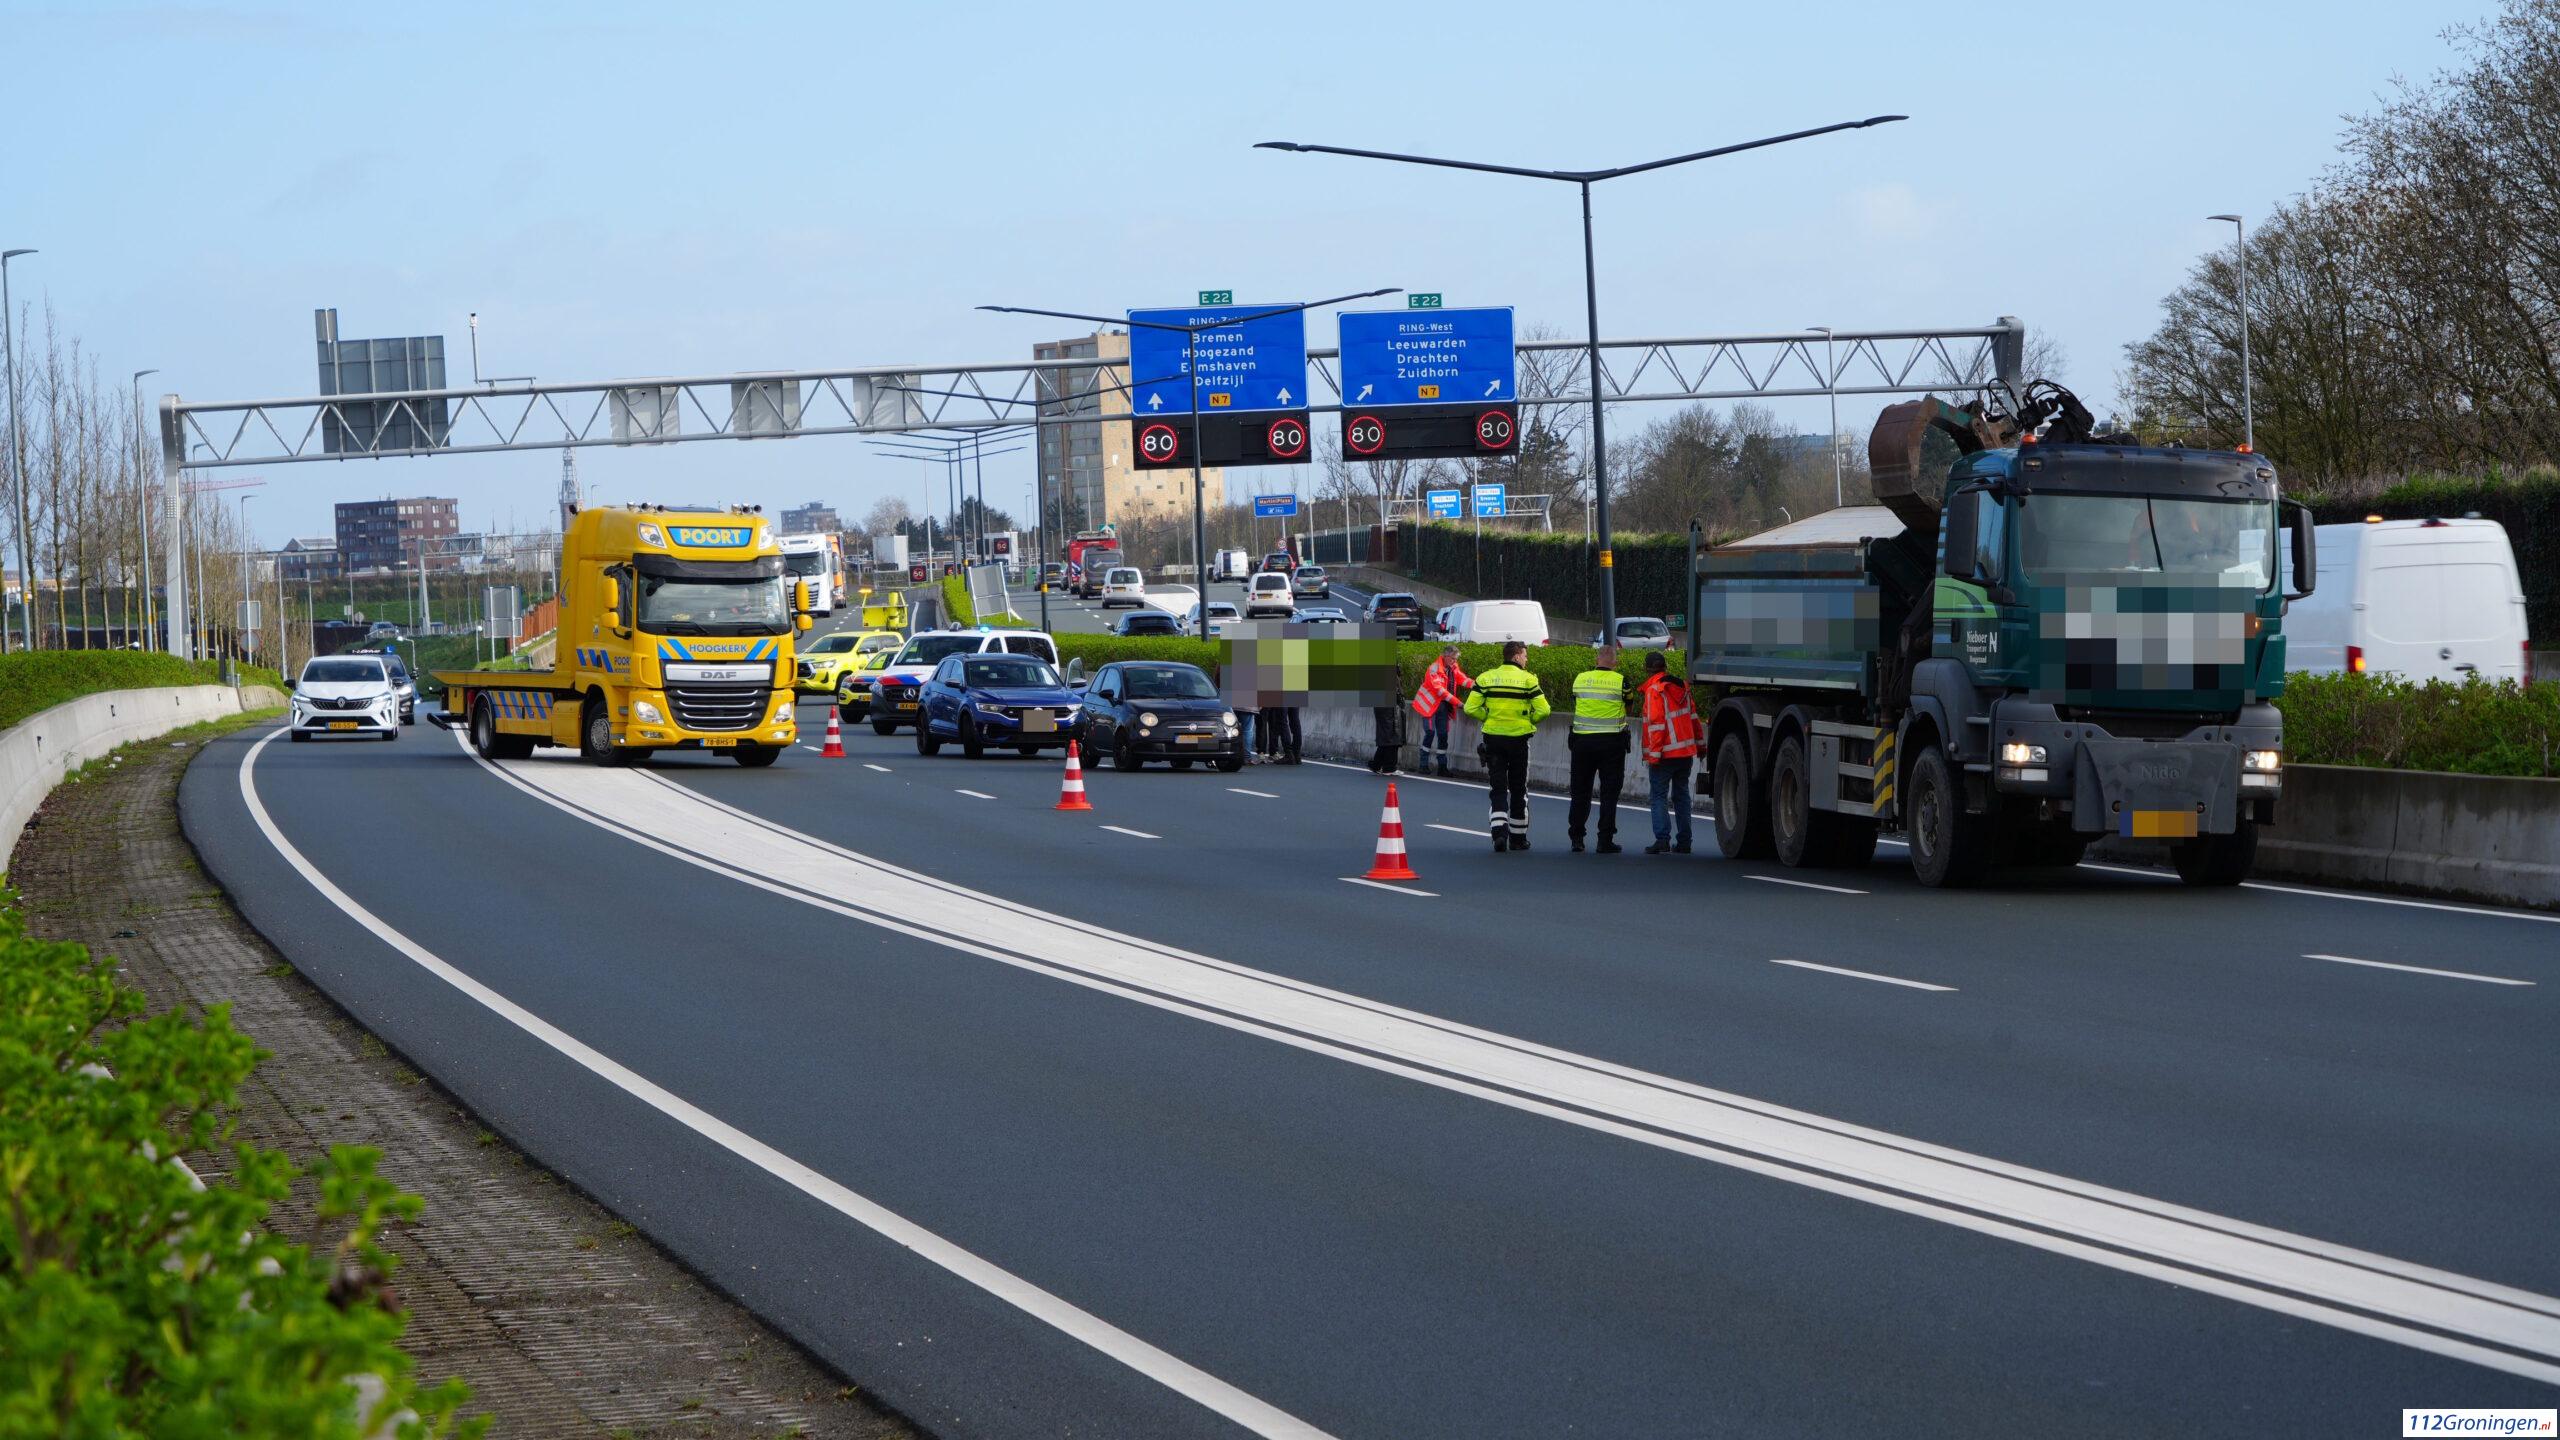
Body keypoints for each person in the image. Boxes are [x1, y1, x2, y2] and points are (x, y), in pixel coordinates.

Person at [1462, 640, 1550, 852]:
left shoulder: (1486, 677)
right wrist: (1529, 720)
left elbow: (1469, 708)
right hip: (1519, 740)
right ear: (1517, 656)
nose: (1527, 660)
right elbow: (1545, 710)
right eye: (1525, 656)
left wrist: (1488, 716)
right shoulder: (1529, 680)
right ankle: (1518, 839)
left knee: (1498, 788)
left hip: (1493, 739)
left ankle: (1498, 834)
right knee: (1519, 788)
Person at [1564, 644, 1631, 853]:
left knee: (1580, 791)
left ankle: (1577, 838)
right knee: (1609, 793)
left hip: (1582, 742)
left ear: (1597, 660)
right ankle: (1605, 840)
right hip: (1612, 744)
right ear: (1615, 662)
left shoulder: (1580, 679)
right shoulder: (1621, 681)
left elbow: (1576, 703)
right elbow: (1629, 707)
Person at [1637, 650, 1701, 854]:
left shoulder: (1655, 690)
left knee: (1658, 796)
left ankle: (1662, 840)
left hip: (1664, 755)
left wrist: (1653, 755)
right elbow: (1694, 719)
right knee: (1681, 795)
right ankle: (1684, 841)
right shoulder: (1682, 687)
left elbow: (1657, 725)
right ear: (1664, 666)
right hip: (1685, 754)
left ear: (1647, 669)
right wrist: (1701, 745)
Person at [1409, 644, 1472, 777]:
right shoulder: (1434, 669)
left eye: (1456, 659)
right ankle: (1423, 765)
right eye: (1453, 658)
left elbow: (1463, 680)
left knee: (1443, 735)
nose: (1455, 661)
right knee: (1430, 732)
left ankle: (1442, 768)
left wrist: (1478, 685)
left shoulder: (1453, 667)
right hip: (1430, 707)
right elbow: (1440, 691)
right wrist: (1459, 704)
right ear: (1446, 656)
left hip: (1443, 706)